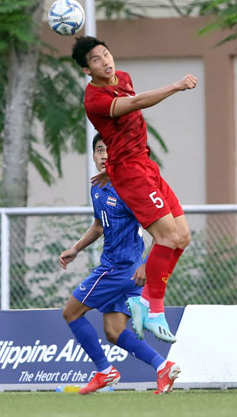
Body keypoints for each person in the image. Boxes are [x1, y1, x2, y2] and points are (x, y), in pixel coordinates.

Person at [71, 36, 195, 344]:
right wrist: (176, 86)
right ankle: (153, 307)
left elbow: (124, 132)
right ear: (87, 70)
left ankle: (146, 301)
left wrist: (109, 168)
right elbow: (137, 103)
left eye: (106, 54)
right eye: (96, 60)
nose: (105, 60)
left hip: (144, 164)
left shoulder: (123, 78)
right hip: (132, 173)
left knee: (183, 236)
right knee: (166, 237)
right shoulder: (94, 100)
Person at [59, 134, 180, 395]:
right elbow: (100, 224)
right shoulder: (97, 187)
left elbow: (160, 232)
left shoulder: (129, 188)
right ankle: (163, 367)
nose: (104, 155)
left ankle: (104, 371)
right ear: (93, 156)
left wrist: (148, 264)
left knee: (70, 312)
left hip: (119, 269)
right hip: (124, 271)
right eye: (99, 150)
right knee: (114, 331)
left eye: (109, 151)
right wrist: (76, 248)